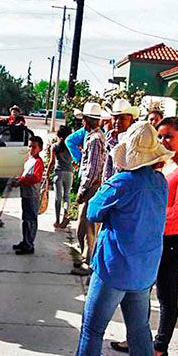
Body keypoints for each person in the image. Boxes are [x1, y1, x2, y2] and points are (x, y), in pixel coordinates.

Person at [71, 121, 174, 356]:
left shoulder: (122, 182)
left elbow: (93, 211)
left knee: (92, 329)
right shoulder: (161, 182)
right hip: (144, 271)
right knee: (139, 332)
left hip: (114, 268)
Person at [110, 117, 178, 356]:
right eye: (160, 136)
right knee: (139, 293)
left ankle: (160, 345)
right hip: (153, 239)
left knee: (166, 295)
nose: (164, 141)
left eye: (169, 136)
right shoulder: (163, 163)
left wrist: (144, 219)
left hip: (173, 242)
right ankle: (137, 339)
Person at [71, 102, 107, 276]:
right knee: (86, 225)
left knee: (87, 227)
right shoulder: (97, 136)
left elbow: (92, 170)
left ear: (86, 120)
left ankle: (89, 261)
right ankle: (86, 256)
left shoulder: (93, 139)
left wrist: (82, 191)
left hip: (91, 188)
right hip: (94, 186)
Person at [11, 135, 45, 255]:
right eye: (29, 146)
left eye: (34, 147)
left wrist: (21, 181)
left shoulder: (38, 162)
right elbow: (26, 175)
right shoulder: (29, 160)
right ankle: (25, 241)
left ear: (40, 149)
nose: (31, 149)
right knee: (26, 219)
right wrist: (20, 180)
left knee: (30, 219)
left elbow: (36, 178)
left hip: (32, 194)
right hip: (25, 193)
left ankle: (29, 244)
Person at [103, 98, 139, 181]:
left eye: (122, 118)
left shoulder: (134, 140)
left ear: (131, 121)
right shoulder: (109, 137)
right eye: (115, 118)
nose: (117, 122)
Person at [46, 125, 73, 228]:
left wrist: (47, 173)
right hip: (69, 173)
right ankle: (66, 214)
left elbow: (52, 162)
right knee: (67, 196)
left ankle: (57, 220)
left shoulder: (55, 146)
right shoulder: (71, 147)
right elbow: (76, 159)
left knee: (58, 197)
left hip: (58, 173)